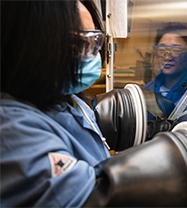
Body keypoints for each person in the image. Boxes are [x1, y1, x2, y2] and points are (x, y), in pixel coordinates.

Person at [0, 0, 108, 207]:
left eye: (95, 42)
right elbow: (95, 198)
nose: (92, 55)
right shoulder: (10, 128)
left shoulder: (70, 101)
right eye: (80, 44)